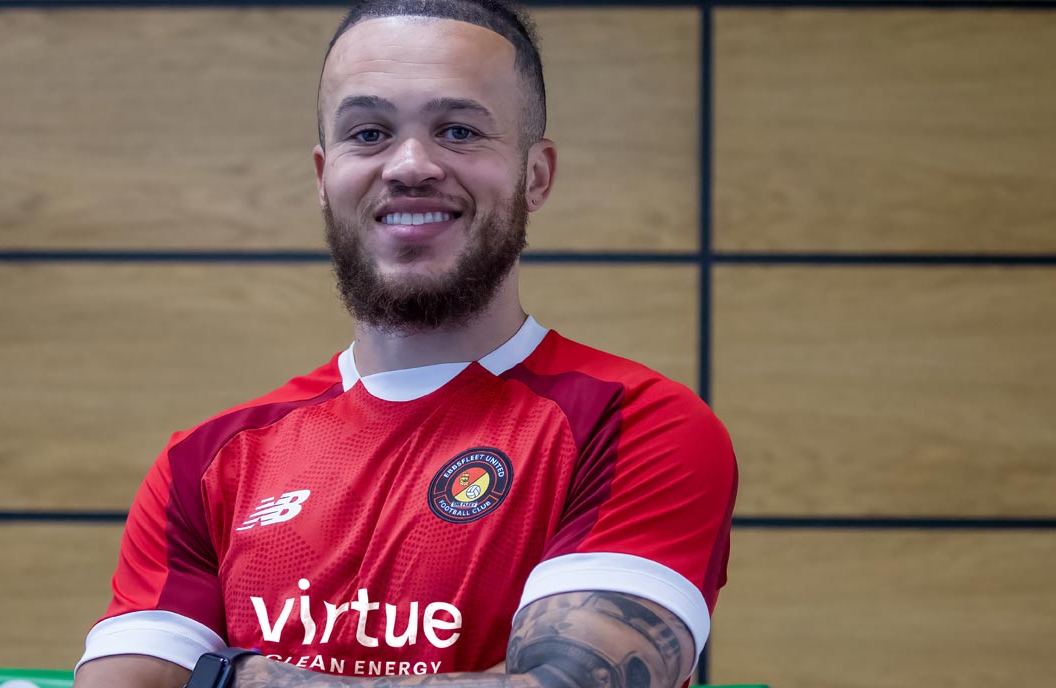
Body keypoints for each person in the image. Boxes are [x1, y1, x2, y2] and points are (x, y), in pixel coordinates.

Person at [75, 1, 737, 687]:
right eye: (369, 133)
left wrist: (224, 680)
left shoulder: (633, 424)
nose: (411, 165)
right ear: (323, 177)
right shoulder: (207, 462)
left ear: (536, 176)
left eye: (458, 131)